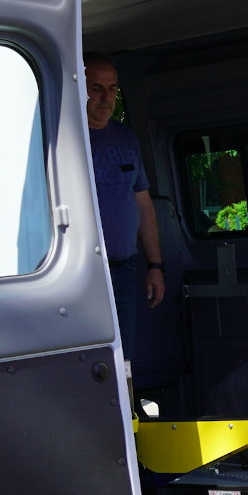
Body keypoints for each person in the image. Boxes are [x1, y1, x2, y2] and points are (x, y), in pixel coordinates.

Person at [85, 52, 166, 362]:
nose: (106, 98)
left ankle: (125, 409)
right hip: (82, 274)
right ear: (81, 88)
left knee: (124, 360)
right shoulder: (66, 137)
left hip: (124, 269)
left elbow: (142, 203)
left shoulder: (126, 138)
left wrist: (155, 266)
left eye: (113, 89)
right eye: (97, 88)